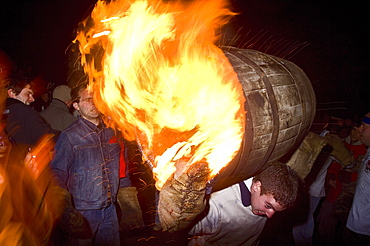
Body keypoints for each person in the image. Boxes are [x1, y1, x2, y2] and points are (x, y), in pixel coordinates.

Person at [50, 82, 138, 245]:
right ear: (76, 105)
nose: (94, 103)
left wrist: (129, 205)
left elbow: (122, 171)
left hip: (110, 211)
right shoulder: (70, 136)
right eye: (88, 99)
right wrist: (63, 207)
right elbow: (57, 173)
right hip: (83, 213)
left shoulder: (112, 133)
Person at [188, 162, 300, 246]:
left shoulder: (263, 197)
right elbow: (184, 230)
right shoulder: (218, 203)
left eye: (275, 210)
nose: (270, 215)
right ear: (257, 187)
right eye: (268, 206)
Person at [2, 74, 59, 158]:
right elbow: (45, 136)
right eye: (28, 94)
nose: (32, 99)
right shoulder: (23, 110)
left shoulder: (3, 112)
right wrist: (68, 134)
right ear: (12, 93)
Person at [345, 112, 370, 245]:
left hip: (365, 232)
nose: (360, 130)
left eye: (364, 126)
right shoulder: (368, 151)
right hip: (355, 225)